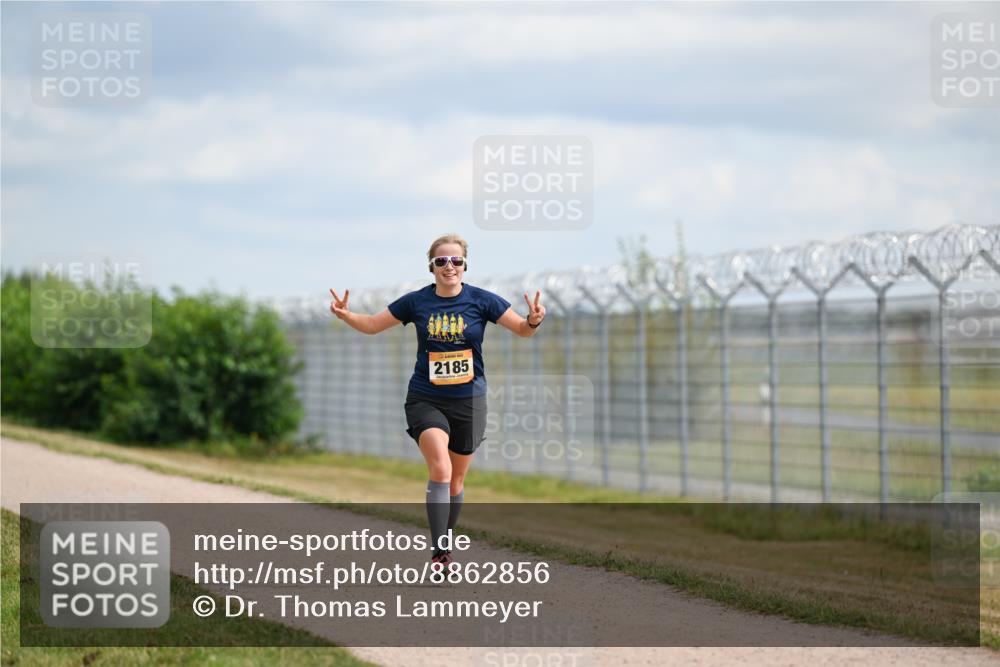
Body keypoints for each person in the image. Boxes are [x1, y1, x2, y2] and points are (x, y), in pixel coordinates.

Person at [329, 232, 546, 580]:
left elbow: (522, 329)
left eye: (455, 260)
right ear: (431, 267)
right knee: (441, 470)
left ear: (465, 265)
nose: (449, 266)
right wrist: (345, 315)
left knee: (457, 480)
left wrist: (534, 319)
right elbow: (372, 325)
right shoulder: (417, 302)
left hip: (469, 402)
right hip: (425, 399)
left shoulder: (482, 301)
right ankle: (440, 552)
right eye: (441, 261)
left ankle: (445, 538)